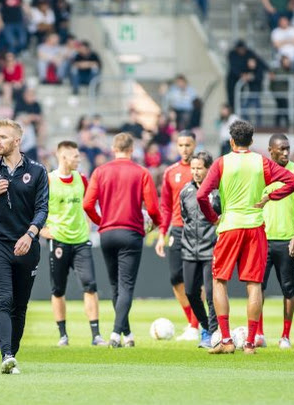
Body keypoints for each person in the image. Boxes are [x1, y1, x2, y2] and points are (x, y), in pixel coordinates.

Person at [197, 121, 294, 355]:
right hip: (255, 227)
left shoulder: (222, 163)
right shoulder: (261, 161)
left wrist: (213, 217)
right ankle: (250, 344)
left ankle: (226, 340)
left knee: (219, 281)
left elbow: (202, 194)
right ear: (252, 141)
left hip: (230, 226)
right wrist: (271, 197)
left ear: (232, 141)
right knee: (254, 284)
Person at [0, 119, 49, 374]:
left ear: (17, 141)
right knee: (3, 300)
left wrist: (30, 234)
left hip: (27, 244)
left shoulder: (37, 171)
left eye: (3, 137)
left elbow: (42, 209)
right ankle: (6, 355)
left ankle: (11, 352)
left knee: (20, 305)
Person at [83, 133, 161, 348]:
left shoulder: (100, 172)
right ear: (132, 149)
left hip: (107, 234)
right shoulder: (141, 172)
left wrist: (102, 222)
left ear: (113, 148)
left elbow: (87, 204)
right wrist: (155, 224)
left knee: (115, 285)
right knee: (126, 285)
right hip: (131, 233)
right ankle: (116, 333)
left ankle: (127, 334)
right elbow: (153, 208)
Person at [41, 141, 106, 347]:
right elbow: (34, 208)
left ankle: (96, 335)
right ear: (64, 158)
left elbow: (89, 206)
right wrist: (42, 231)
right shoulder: (48, 180)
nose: (79, 159)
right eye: (75, 156)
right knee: (58, 290)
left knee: (90, 286)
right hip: (58, 240)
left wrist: (93, 225)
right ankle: (63, 335)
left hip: (80, 242)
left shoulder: (82, 179)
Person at [258, 134, 294, 349]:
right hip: (262, 239)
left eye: (288, 148)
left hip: (288, 240)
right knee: (257, 288)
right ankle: (258, 334)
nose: (286, 153)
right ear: (271, 150)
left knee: (289, 289)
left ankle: (285, 336)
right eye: (281, 149)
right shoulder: (260, 173)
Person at [154, 130, 201, 342]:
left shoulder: (202, 170)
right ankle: (193, 321)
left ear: (194, 145)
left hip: (199, 230)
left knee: (196, 280)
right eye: (181, 145)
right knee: (176, 278)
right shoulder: (171, 172)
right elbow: (164, 206)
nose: (184, 149)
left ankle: (195, 325)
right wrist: (162, 234)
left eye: (188, 145)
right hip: (177, 229)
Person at [179, 151, 220, 349]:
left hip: (210, 249)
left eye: (199, 168)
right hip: (188, 250)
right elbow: (184, 217)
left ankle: (211, 333)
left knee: (211, 294)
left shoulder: (217, 193)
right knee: (190, 292)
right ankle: (206, 326)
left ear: (208, 169)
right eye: (193, 168)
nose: (195, 172)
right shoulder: (185, 191)